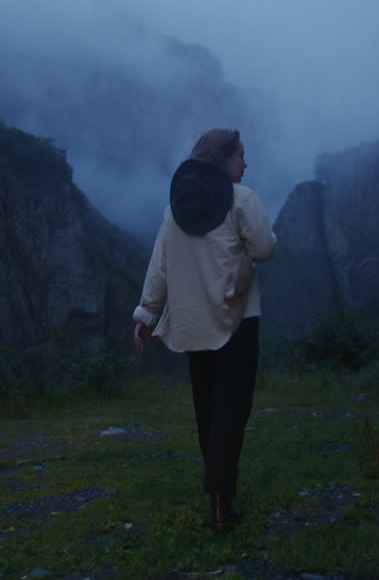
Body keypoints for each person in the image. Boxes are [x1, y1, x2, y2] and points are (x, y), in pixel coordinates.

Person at [133, 128, 276, 532]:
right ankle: (219, 494)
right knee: (233, 410)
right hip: (237, 322)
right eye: (240, 156)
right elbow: (265, 249)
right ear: (223, 158)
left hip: (193, 324)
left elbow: (159, 265)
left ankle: (219, 495)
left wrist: (146, 314)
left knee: (208, 410)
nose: (245, 164)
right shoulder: (242, 199)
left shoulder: (174, 208)